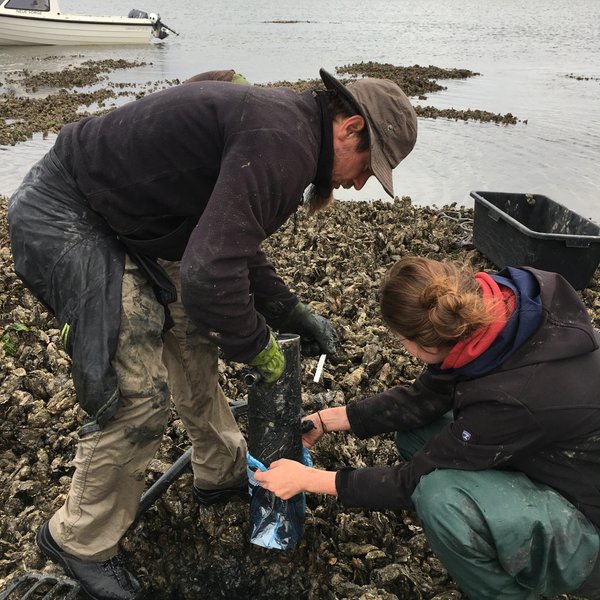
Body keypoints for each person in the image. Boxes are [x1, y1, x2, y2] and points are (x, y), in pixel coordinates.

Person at [7, 67, 418, 599]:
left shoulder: (291, 134)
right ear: (350, 127)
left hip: (131, 221)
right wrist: (257, 347)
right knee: (135, 397)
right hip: (69, 214)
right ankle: (79, 541)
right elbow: (207, 274)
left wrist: (290, 311)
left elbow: (230, 246)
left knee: (195, 337)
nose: (360, 183)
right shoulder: (284, 144)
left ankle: (220, 472)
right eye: (368, 166)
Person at [255, 256, 600, 600]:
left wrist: (307, 479)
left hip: (589, 530)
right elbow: (426, 397)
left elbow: (411, 482)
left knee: (439, 498)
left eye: (401, 341)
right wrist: (327, 420)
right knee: (417, 436)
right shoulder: (494, 307)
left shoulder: (512, 399)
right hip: (552, 457)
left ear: (430, 344)